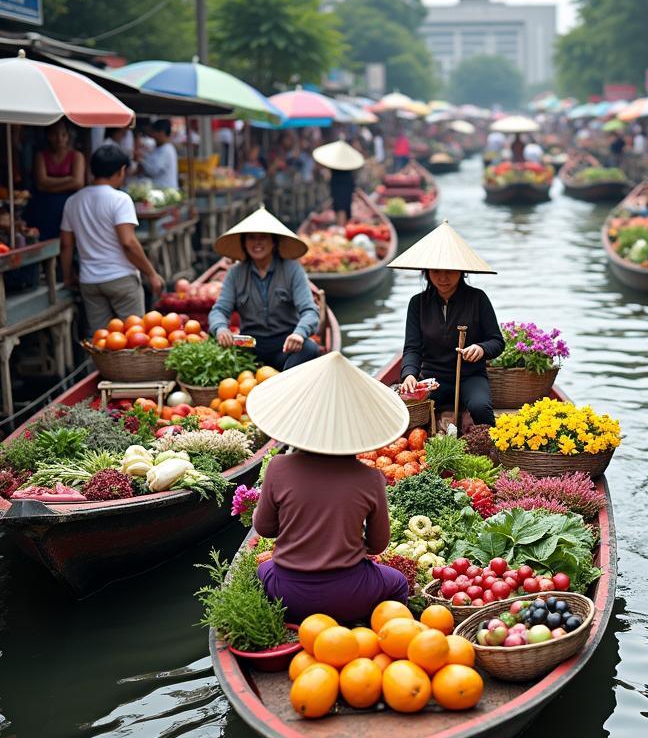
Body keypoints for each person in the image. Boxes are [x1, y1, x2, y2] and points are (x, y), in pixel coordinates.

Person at [250, 352, 412, 623]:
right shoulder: (371, 479)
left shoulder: (278, 467)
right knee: (397, 582)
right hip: (352, 594)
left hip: (288, 595)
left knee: (263, 569)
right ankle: (379, 635)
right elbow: (377, 545)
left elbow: (265, 528)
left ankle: (284, 628)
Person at [392, 220, 503, 427]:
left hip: (470, 376)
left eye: (450, 271)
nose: (443, 278)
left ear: (462, 271)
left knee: (480, 408)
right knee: (408, 412)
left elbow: (497, 342)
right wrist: (409, 375)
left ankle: (494, 451)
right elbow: (412, 348)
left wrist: (481, 348)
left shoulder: (478, 298)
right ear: (426, 273)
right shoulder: (418, 303)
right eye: (436, 271)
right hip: (433, 378)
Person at [59, 144, 164, 332]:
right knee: (134, 340)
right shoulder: (120, 199)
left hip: (90, 282)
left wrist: (68, 277)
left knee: (101, 342)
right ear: (121, 171)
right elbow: (128, 243)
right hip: (121, 279)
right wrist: (151, 273)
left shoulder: (73, 201)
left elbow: (66, 244)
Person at [208, 207, 321, 371]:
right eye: (251, 238)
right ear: (244, 243)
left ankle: (283, 383)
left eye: (263, 238)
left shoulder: (292, 270)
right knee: (216, 355)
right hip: (249, 346)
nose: (257, 243)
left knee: (310, 349)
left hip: (285, 344)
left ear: (274, 242)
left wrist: (299, 333)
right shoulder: (235, 273)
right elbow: (219, 310)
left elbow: (310, 311)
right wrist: (221, 328)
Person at [28, 120, 85, 240]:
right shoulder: (41, 156)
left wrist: (49, 184)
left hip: (69, 206)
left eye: (63, 135)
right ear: (48, 136)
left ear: (68, 137)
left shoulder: (77, 156)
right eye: (55, 134)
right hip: (45, 208)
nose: (59, 139)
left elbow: (78, 183)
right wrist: (69, 180)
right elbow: (40, 184)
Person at [313, 139, 364, 227]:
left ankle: (341, 228)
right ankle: (343, 227)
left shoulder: (341, 162)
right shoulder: (346, 161)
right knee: (342, 205)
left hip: (340, 184)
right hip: (343, 183)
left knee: (341, 206)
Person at [136, 119, 179, 189]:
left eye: (154, 132)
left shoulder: (166, 149)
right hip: (160, 190)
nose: (152, 136)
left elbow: (153, 170)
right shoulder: (159, 148)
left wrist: (140, 161)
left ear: (161, 132)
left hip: (166, 191)